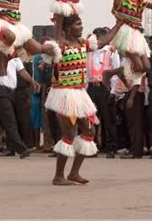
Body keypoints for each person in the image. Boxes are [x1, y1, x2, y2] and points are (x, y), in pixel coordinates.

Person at [45, 15, 100, 185]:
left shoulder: (84, 44)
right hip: (63, 94)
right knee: (68, 133)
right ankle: (58, 176)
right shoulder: (60, 46)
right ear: (68, 28)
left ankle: (74, 173)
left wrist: (120, 24)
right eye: (77, 24)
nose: (81, 27)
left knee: (89, 132)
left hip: (80, 94)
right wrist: (62, 8)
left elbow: (104, 41)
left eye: (81, 24)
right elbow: (58, 31)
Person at [86, 27, 120, 157]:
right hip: (91, 87)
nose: (98, 39)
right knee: (91, 119)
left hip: (105, 88)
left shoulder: (111, 51)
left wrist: (113, 91)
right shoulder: (89, 52)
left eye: (100, 36)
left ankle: (111, 148)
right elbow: (86, 72)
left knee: (108, 119)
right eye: (96, 36)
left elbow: (117, 72)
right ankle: (92, 147)